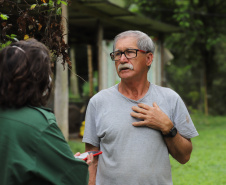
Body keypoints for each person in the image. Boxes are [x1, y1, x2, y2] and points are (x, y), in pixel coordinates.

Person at [82, 30, 199, 185]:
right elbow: (92, 158)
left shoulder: (170, 99)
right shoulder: (98, 102)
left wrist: (168, 127)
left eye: (130, 52)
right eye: (117, 54)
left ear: (149, 58)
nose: (122, 59)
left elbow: (184, 157)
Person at [0, 39, 93, 185]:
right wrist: (78, 166)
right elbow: (73, 179)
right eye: (47, 70)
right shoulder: (38, 124)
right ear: (37, 77)